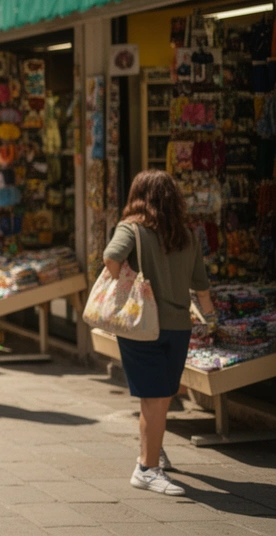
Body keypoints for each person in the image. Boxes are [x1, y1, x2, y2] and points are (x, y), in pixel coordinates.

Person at [103, 170, 215, 496]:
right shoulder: (187, 235)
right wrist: (211, 320)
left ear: (138, 195)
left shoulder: (131, 228)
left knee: (155, 399)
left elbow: (111, 258)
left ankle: (147, 466)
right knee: (161, 397)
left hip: (141, 325)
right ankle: (150, 458)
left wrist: (129, 275)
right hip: (178, 327)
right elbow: (202, 288)